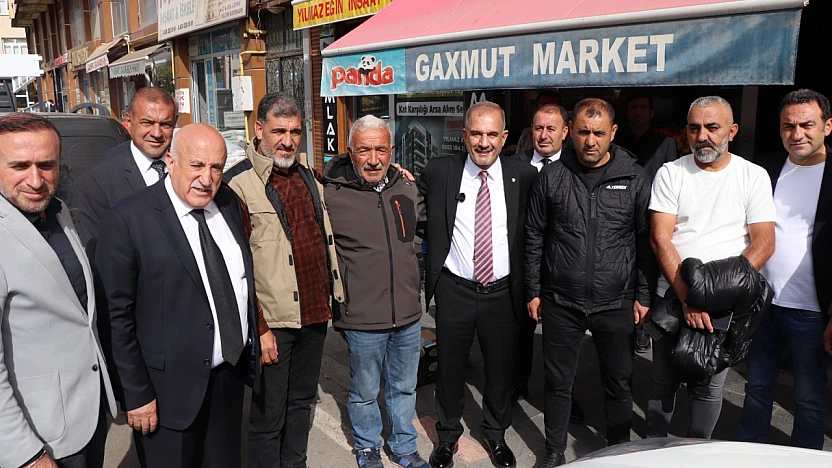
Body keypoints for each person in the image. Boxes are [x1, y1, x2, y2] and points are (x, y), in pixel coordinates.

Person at [95, 124, 261, 467]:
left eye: (217, 167)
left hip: (227, 379)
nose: (207, 178)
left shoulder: (227, 203)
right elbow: (117, 317)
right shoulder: (129, 219)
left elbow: (241, 280)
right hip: (165, 392)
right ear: (170, 161)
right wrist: (136, 394)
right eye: (197, 165)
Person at [525, 98, 654, 467]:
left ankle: (619, 453)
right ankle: (553, 452)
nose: (590, 141)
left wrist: (643, 295)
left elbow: (646, 242)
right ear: (570, 132)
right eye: (583, 132)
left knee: (618, 384)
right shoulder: (552, 175)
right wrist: (533, 290)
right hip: (561, 300)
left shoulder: (634, 177)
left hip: (615, 300)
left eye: (599, 133)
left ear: (613, 132)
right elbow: (535, 235)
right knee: (558, 384)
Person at [223, 92, 344, 468]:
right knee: (268, 415)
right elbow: (236, 267)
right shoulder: (238, 185)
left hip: (313, 314)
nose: (288, 140)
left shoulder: (307, 173)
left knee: (301, 405)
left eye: (294, 131)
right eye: (278, 131)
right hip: (273, 322)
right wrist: (259, 328)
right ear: (258, 129)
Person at [647, 96, 775, 439]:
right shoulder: (671, 173)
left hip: (724, 306)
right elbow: (661, 240)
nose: (702, 135)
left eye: (712, 127)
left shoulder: (754, 176)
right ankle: (652, 452)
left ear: (731, 131)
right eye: (694, 127)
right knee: (662, 383)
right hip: (674, 298)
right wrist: (689, 299)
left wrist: (711, 297)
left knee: (708, 387)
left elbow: (763, 243)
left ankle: (695, 452)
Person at [419, 101, 537, 468]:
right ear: (464, 135)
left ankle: (496, 434)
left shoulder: (524, 176)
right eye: (476, 133)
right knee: (450, 370)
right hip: (455, 289)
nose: (483, 142)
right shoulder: (440, 171)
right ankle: (448, 436)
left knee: (500, 371)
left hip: (502, 292)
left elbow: (536, 232)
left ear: (504, 138)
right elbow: (406, 194)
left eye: (491, 134)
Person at [0, 113, 116, 467]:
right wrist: (26, 454)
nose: (35, 179)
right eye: (20, 165)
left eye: (46, 165)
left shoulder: (57, 211)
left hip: (86, 418)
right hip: (39, 437)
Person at [323, 115, 428, 468]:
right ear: (350, 152)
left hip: (408, 316)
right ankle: (368, 447)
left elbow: (428, 225)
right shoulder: (330, 192)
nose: (373, 159)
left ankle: (405, 447)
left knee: (404, 387)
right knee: (365, 392)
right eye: (364, 150)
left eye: (381, 149)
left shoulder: (406, 187)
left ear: (392, 151)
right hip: (362, 316)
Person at [738, 89, 832, 450]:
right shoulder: (766, 167)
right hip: (763, 303)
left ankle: (805, 458)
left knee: (809, 398)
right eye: (788, 126)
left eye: (807, 125)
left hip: (812, 310)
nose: (797, 134)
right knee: (756, 387)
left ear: (827, 126)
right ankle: (751, 451)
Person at [77, 86, 178, 403]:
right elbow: (104, 272)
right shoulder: (100, 182)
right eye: (147, 122)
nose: (157, 133)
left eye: (166, 124)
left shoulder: (190, 169)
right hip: (143, 332)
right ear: (128, 123)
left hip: (189, 327)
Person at [510, 102, 584, 423]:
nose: (543, 135)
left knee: (563, 341)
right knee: (520, 334)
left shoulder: (578, 166)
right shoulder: (513, 165)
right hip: (521, 264)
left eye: (551, 128)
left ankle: (566, 398)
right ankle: (517, 385)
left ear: (565, 132)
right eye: (538, 128)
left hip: (560, 268)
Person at [614, 92, 679, 354]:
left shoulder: (665, 143)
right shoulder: (617, 139)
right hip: (621, 213)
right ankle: (632, 323)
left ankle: (645, 327)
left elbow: (672, 180)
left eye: (643, 107)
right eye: (633, 107)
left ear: (651, 113)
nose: (638, 111)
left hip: (655, 216)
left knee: (650, 272)